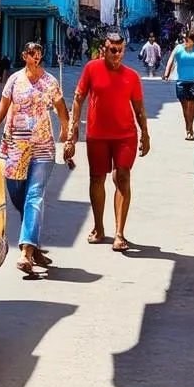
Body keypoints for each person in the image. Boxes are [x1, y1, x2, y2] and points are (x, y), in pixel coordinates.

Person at [0, 41, 72, 274]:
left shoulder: (50, 82)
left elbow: (62, 110)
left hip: (42, 148)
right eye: (32, 53)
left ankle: (26, 253)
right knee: (19, 197)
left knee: (33, 196)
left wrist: (66, 135)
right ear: (24, 55)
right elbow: (2, 108)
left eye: (39, 53)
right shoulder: (14, 80)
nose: (36, 57)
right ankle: (33, 244)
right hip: (15, 148)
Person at [63, 31, 149, 251]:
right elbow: (79, 97)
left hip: (125, 136)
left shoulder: (132, 76)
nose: (117, 54)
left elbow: (139, 108)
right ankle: (99, 228)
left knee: (122, 177)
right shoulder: (92, 68)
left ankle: (119, 233)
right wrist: (74, 127)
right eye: (113, 50)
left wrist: (145, 134)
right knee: (97, 178)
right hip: (97, 135)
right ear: (104, 48)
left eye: (120, 50)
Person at [163, 30, 194, 141]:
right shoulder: (178, 48)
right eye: (186, 39)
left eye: (189, 41)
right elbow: (171, 60)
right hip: (181, 82)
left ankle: (190, 130)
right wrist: (166, 73)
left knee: (192, 107)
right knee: (185, 108)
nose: (186, 42)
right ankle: (188, 127)